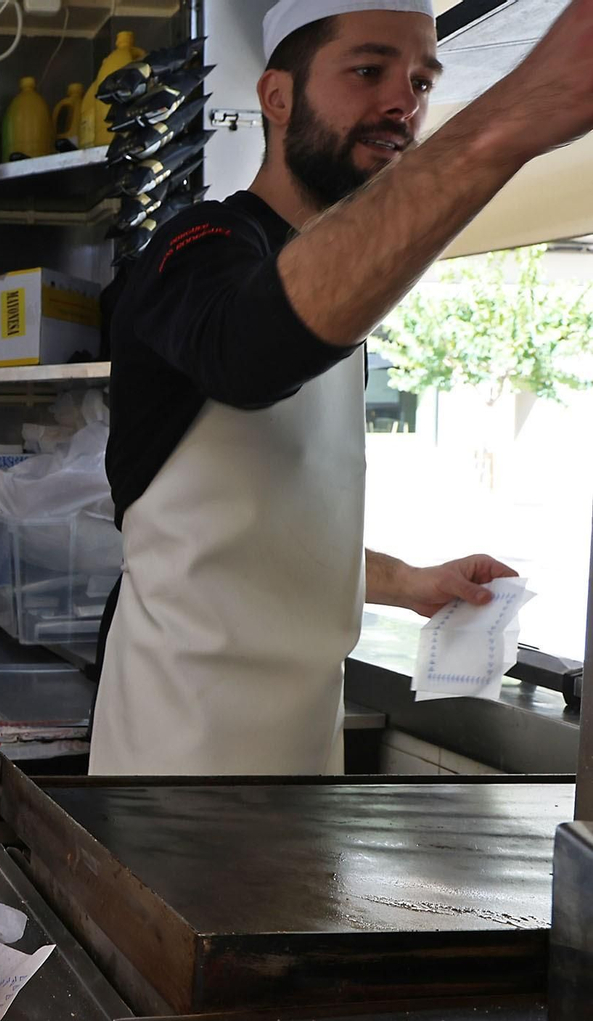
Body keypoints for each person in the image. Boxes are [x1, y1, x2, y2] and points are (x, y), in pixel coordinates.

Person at [91, 0, 593, 775]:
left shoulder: (342, 291)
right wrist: (512, 117)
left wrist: (410, 582)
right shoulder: (197, 250)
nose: (405, 102)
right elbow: (251, 350)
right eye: (368, 71)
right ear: (277, 97)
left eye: (423, 80)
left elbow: (262, 537)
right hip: (172, 767)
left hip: (304, 765)